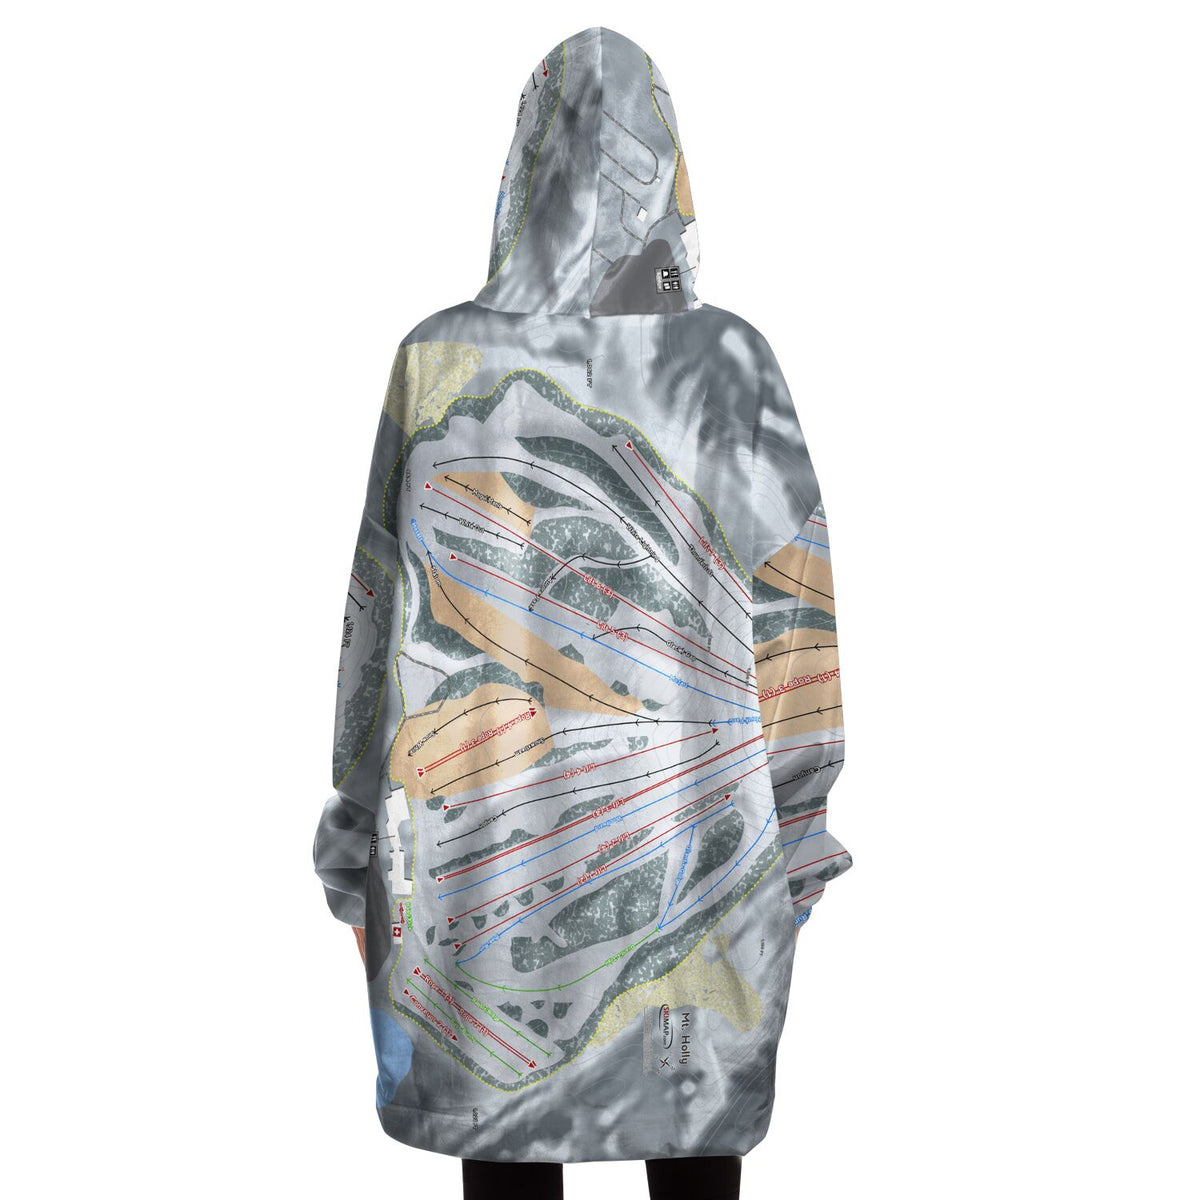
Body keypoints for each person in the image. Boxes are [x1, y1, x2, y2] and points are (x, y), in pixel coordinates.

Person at [314, 26, 852, 1198]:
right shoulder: (732, 366)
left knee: (504, 1152)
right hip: (700, 876)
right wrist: (800, 843)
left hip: (480, 886)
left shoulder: (438, 358)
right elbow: (796, 632)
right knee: (692, 1140)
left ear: (524, 169)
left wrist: (354, 848)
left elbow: (373, 628)